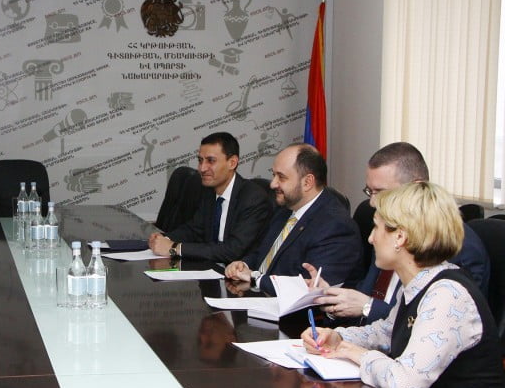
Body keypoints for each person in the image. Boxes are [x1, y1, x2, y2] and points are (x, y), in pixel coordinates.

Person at [301, 182, 503, 388]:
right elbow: (388, 332)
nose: (370, 239)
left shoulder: (447, 295)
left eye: (376, 227)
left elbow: (404, 383)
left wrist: (360, 355)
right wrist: (338, 338)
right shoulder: (419, 282)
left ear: (399, 237)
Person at [310, 142, 489, 323]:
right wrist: (331, 298)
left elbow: (438, 321)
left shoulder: (456, 247)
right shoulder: (388, 228)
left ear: (416, 187)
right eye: (370, 191)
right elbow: (368, 295)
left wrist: (368, 307)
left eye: (380, 192)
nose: (372, 202)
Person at [224, 144, 363, 294]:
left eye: (281, 177)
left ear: (307, 182)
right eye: (273, 175)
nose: (273, 184)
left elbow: (310, 287)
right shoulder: (286, 209)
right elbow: (263, 252)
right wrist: (243, 265)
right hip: (260, 297)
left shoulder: (336, 226)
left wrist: (255, 278)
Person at [148, 132, 272, 264]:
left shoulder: (253, 198)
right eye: (200, 161)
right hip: (209, 267)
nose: (202, 168)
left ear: (232, 163)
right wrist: (163, 238)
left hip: (235, 272)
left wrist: (174, 248)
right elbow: (194, 230)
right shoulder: (208, 191)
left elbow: (232, 251)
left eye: (211, 161)